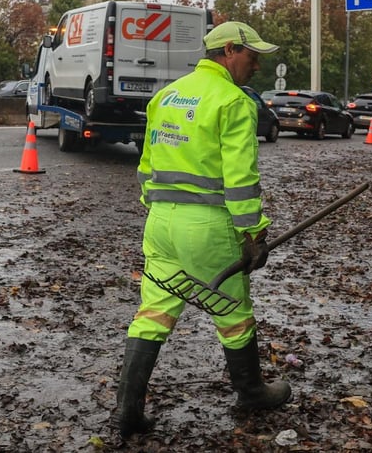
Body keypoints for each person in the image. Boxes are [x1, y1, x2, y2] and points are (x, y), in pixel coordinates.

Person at [113, 21, 288, 439]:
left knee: (154, 311)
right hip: (208, 227)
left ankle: (128, 411)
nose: (256, 66)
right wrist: (254, 235)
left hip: (160, 223)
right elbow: (240, 181)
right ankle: (251, 392)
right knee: (234, 314)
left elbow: (146, 167)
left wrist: (156, 211)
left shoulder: (166, 96)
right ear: (229, 50)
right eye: (252, 56)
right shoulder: (233, 101)